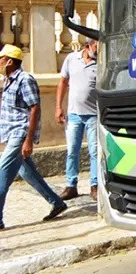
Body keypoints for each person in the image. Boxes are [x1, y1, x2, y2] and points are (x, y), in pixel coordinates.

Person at [0, 44, 68, 229]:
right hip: (10, 132)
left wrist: (28, 140)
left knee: (2, 172)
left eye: (1, 59)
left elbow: (35, 108)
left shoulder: (25, 79)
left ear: (10, 61)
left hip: (20, 133)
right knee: (27, 172)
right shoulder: (8, 80)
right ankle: (57, 202)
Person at [55, 38, 98, 201]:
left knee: (94, 151)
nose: (99, 50)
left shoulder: (100, 63)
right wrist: (58, 107)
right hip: (74, 114)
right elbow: (63, 82)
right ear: (88, 46)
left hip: (93, 114)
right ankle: (71, 185)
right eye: (96, 46)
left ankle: (95, 185)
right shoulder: (71, 59)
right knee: (72, 150)